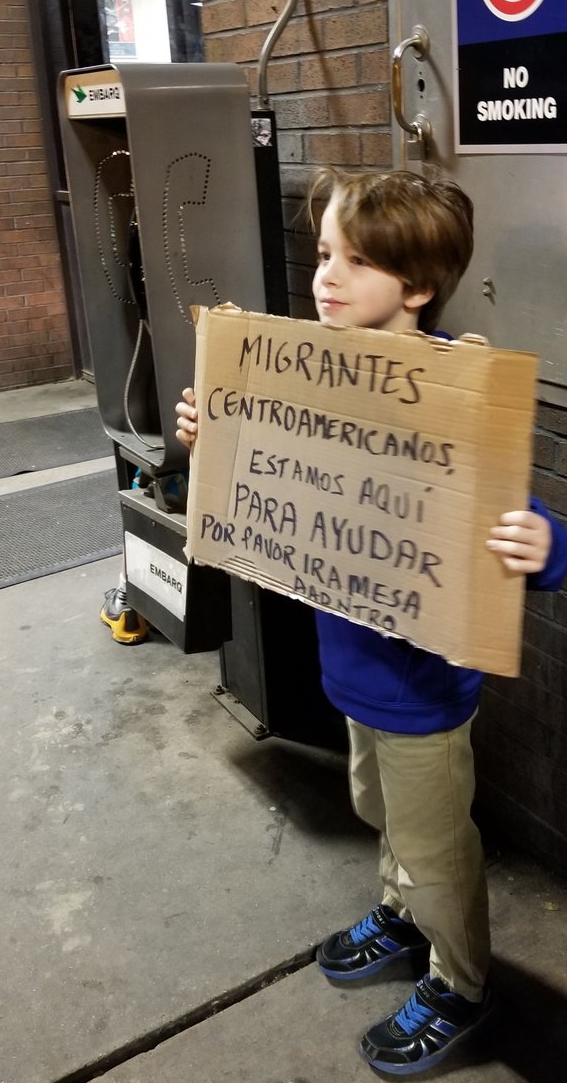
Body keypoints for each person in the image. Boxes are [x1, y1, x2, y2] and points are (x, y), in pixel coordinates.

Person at [175, 168, 567, 1076]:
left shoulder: (457, 388)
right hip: (350, 669)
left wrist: (542, 543)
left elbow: (522, 519)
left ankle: (459, 984)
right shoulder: (311, 370)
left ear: (418, 286)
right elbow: (263, 469)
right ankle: (401, 913)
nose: (327, 276)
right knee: (376, 809)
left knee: (436, 847)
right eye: (324, 254)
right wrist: (212, 430)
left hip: (422, 692)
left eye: (357, 260)